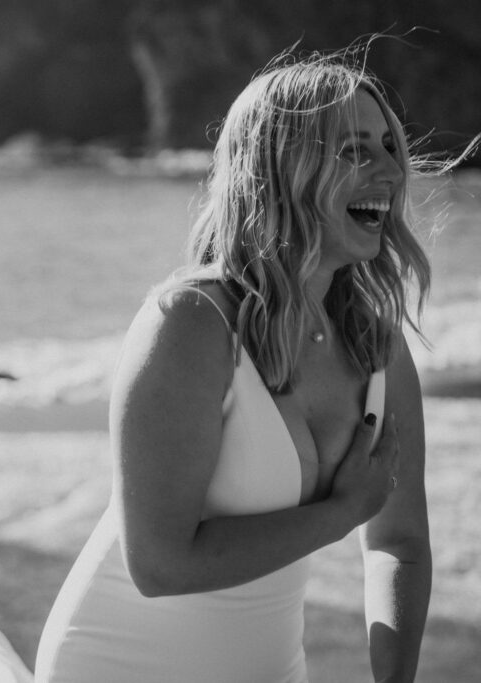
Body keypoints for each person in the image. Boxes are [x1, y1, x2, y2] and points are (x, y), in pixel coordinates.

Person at [35, 53, 439, 682]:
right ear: (283, 169)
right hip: (118, 664)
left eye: (389, 145)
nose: (390, 170)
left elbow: (399, 542)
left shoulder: (377, 345)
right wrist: (340, 513)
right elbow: (160, 565)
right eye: (355, 150)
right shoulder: (191, 323)